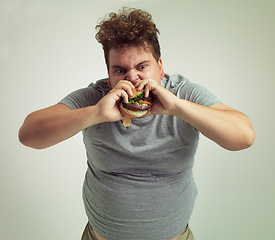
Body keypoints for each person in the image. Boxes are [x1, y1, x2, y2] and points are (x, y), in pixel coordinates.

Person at [18, 7, 255, 240]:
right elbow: (28, 134)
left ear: (160, 67)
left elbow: (244, 136)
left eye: (142, 67)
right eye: (120, 70)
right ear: (109, 76)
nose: (132, 78)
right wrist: (96, 114)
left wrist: (176, 108)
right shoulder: (96, 97)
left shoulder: (183, 93)